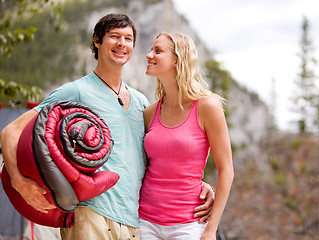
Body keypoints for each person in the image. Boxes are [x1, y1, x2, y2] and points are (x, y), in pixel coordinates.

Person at [0, 14, 214, 240]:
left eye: (128, 38)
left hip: (136, 222)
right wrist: (18, 181)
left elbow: (160, 154)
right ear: (97, 41)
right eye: (114, 36)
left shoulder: (142, 102)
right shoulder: (76, 91)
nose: (122, 43)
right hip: (90, 215)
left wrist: (198, 184)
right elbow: (10, 131)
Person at [138, 32, 234, 240]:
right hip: (145, 221)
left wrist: (210, 230)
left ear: (177, 60)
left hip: (188, 225)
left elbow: (226, 170)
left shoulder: (207, 107)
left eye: (158, 51)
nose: (148, 55)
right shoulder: (149, 113)